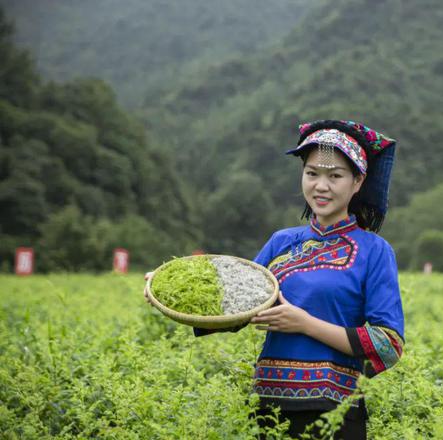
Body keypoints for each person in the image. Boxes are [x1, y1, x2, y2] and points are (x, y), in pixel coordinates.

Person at [145, 119, 404, 439]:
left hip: (334, 413)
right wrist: (167, 288)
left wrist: (304, 323)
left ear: (357, 182)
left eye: (335, 176)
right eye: (312, 174)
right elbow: (233, 307)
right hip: (267, 405)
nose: (321, 186)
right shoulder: (282, 242)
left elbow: (388, 343)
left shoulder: (374, 251)